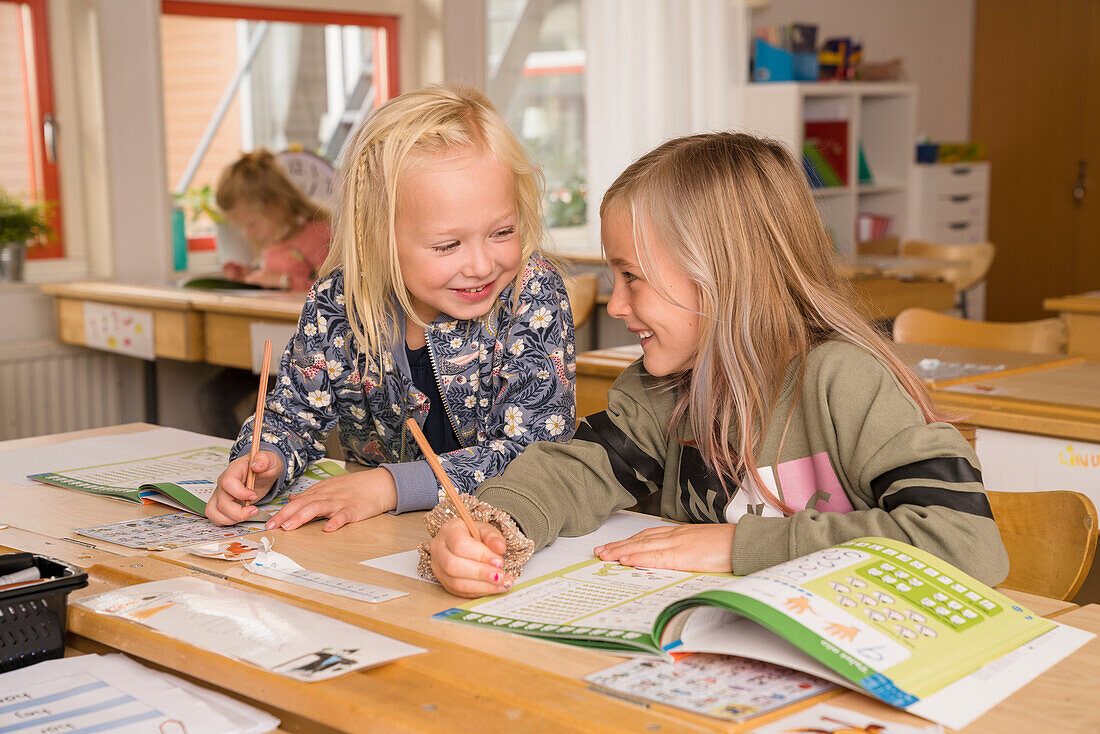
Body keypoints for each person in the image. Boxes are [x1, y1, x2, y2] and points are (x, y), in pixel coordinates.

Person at [425, 132, 1009, 598]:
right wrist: (494, 524)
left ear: (724, 278)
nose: (618, 305)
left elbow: (965, 543)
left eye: (631, 277)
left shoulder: (845, 381)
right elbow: (573, 472)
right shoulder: (661, 387)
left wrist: (737, 546)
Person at [204, 85, 577, 531]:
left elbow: (537, 454)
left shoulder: (530, 296)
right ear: (376, 238)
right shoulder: (338, 302)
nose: (481, 264)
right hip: (374, 538)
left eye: (502, 232)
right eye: (447, 244)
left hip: (491, 535)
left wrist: (388, 486)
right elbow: (291, 414)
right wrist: (264, 458)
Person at [216, 148, 332, 291]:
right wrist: (249, 277)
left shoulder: (318, 234)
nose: (247, 233)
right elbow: (274, 280)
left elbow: (333, 294)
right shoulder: (273, 241)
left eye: (251, 225)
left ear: (278, 205)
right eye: (242, 227)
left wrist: (285, 282)